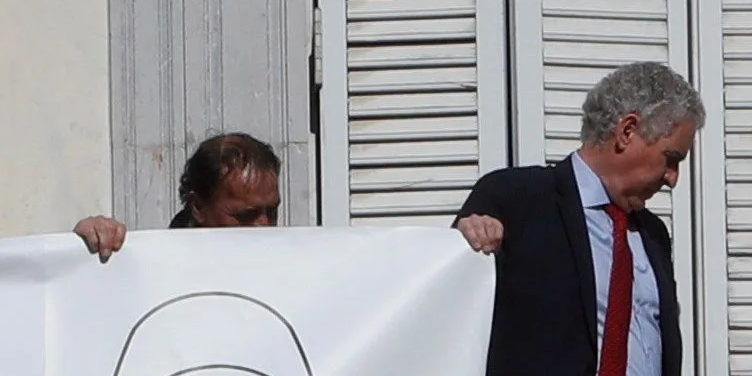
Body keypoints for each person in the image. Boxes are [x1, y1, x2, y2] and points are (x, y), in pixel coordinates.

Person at [453, 61, 701, 376]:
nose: (672, 178)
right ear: (627, 131)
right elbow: (452, 306)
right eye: (671, 158)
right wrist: (468, 238)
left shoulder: (653, 235)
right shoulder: (517, 201)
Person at [70, 133, 502, 257]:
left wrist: (461, 242)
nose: (263, 228)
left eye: (270, 213)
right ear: (198, 205)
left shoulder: (304, 266)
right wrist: (88, 246)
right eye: (244, 215)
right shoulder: (146, 265)